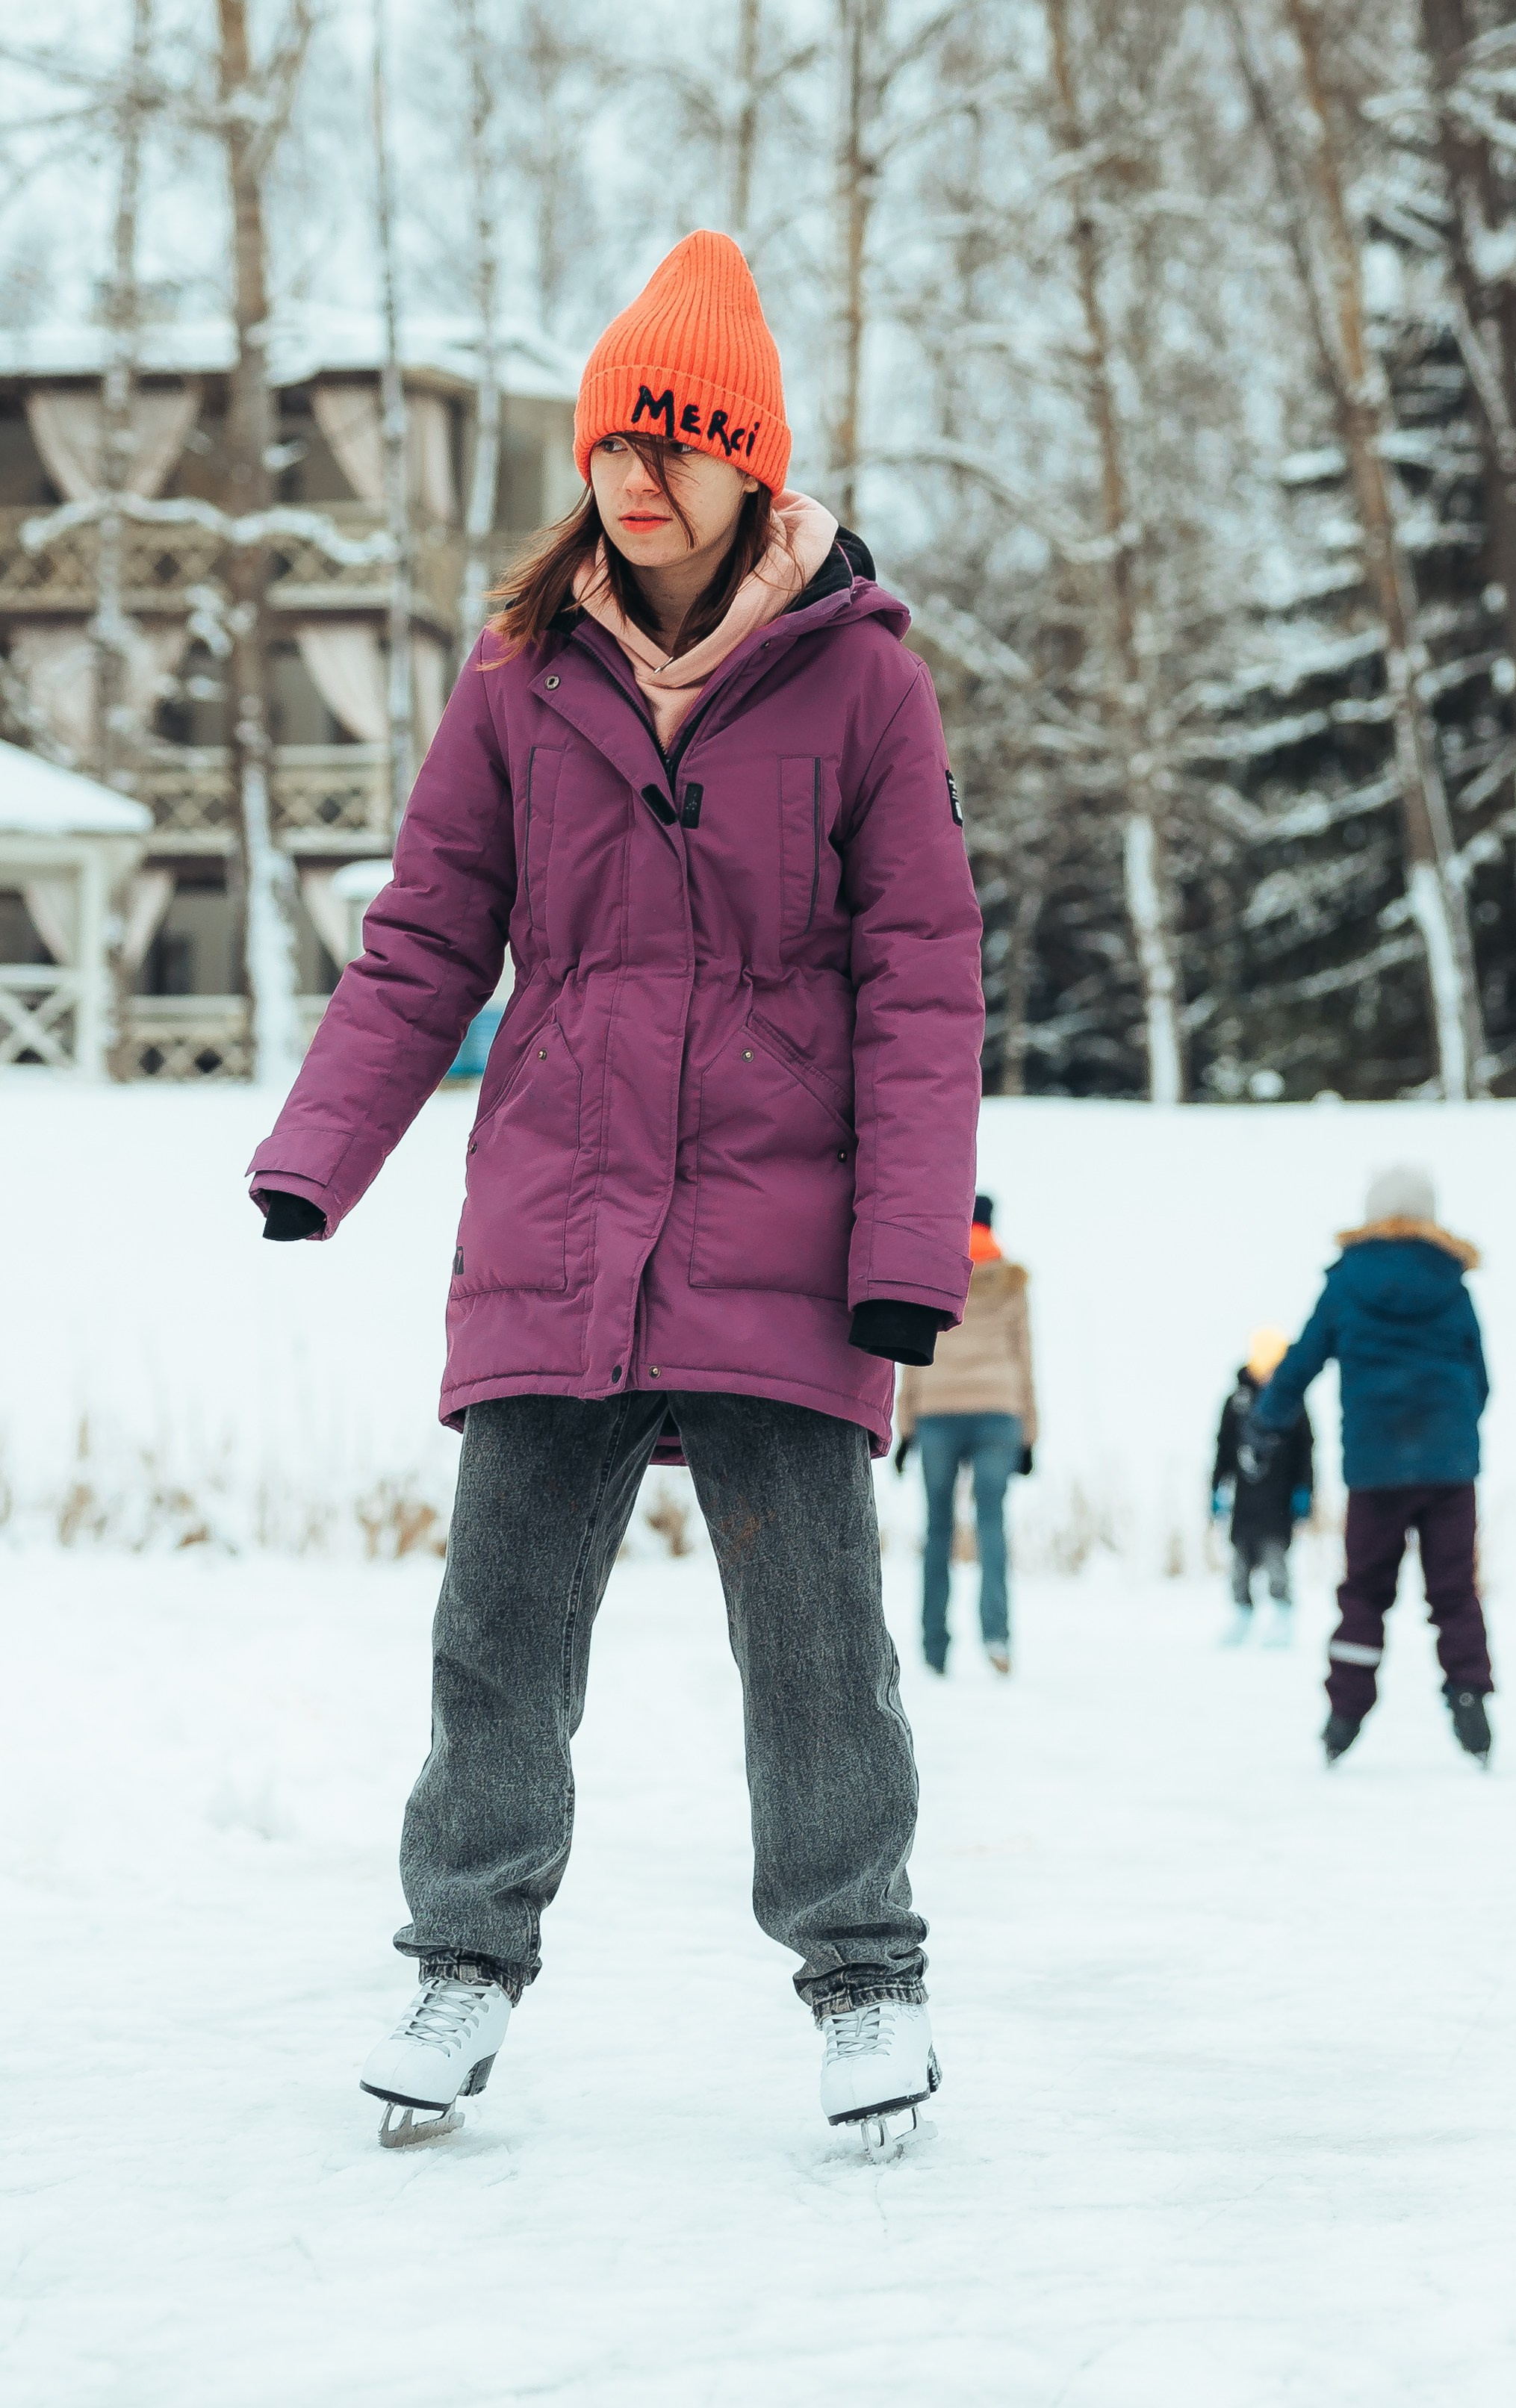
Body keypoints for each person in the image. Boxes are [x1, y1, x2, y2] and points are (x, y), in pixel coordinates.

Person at [246, 231, 984, 2149]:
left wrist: (909, 1255)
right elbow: (427, 934)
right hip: (559, 1225)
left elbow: (922, 985)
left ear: (749, 463)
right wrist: (320, 1150)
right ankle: (460, 1960)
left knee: (815, 1644)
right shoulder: (519, 675)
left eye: (675, 442)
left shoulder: (866, 688)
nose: (633, 474)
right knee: (497, 1628)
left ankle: (865, 1976)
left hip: (784, 1241)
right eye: (610, 440)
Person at [1249, 1165, 1494, 1767]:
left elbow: (1302, 1361)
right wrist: (1452, 1433)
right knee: (1454, 1591)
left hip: (1375, 1467)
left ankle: (1344, 1715)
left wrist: (1267, 1419)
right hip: (1449, 1469)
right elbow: (1481, 1377)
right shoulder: (1452, 1282)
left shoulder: (1347, 1281)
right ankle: (1469, 1695)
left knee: (1364, 1591)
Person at [894, 1195, 1036, 1676]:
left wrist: (905, 1427)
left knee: (938, 1529)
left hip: (937, 1410)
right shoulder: (1011, 1282)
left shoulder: (932, 1271)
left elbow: (913, 1351)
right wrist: (1030, 1434)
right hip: (999, 1411)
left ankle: (934, 1647)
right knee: (992, 1525)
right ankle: (997, 1637)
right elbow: (1025, 1357)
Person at [1211, 1325, 1313, 1647]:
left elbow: (1306, 1451)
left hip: (1279, 1501)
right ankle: (1242, 1615)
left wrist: (1305, 1491)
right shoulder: (1236, 1403)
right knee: (1240, 1562)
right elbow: (1223, 1449)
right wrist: (1216, 1488)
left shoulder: (1293, 1403)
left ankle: (1283, 1617)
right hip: (1244, 1501)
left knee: (1275, 1559)